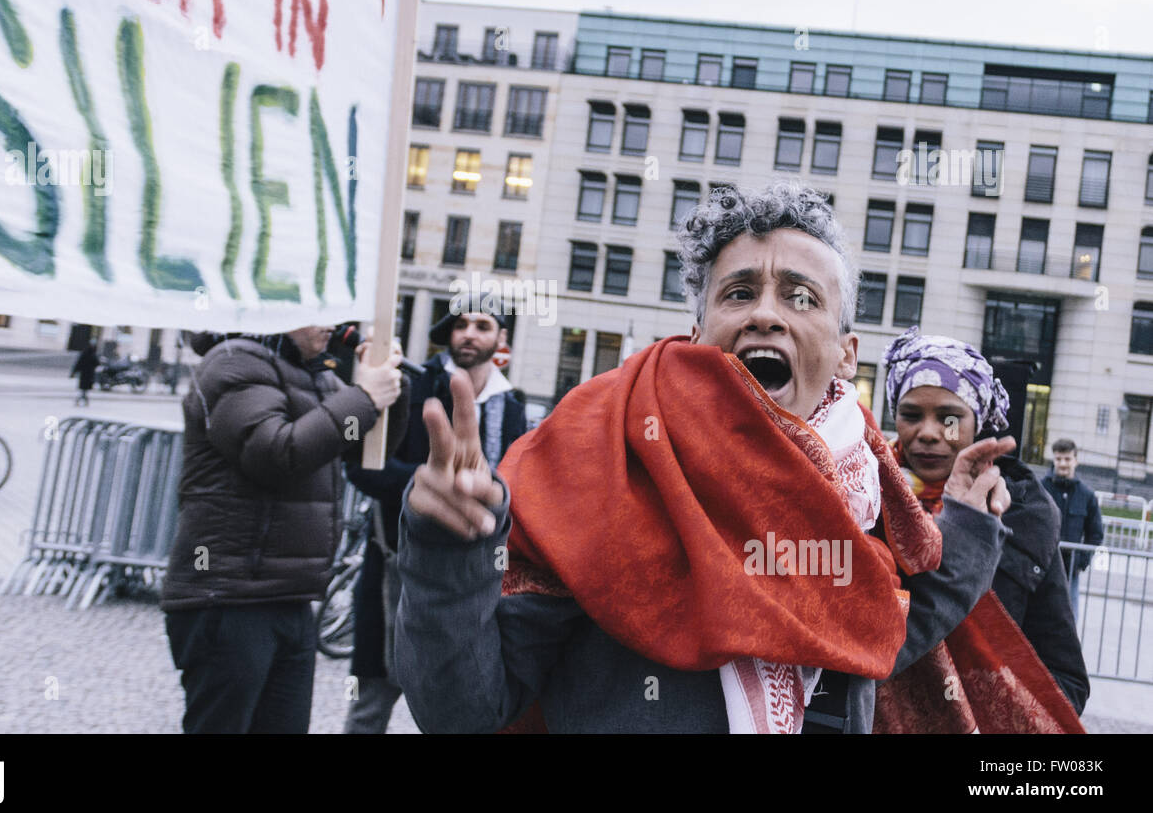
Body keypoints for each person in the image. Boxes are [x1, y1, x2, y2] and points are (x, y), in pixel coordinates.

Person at [394, 180, 1017, 734]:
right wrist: (450, 550)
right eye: (739, 293)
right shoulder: (601, 458)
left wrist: (966, 526)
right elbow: (465, 712)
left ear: (847, 354)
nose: (767, 314)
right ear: (697, 334)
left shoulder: (868, 490)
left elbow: (875, 634)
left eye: (802, 298)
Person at [160, 325, 409, 734]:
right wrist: (363, 397)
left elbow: (363, 451)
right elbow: (275, 452)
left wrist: (390, 392)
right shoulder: (232, 361)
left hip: (290, 595)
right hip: (227, 595)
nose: (333, 323)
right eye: (320, 309)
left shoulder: (317, 374)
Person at [875, 328, 1088, 728]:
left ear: (980, 423)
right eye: (911, 415)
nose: (929, 432)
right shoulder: (859, 498)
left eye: (950, 418)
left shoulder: (1024, 519)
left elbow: (1064, 681)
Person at [343, 302, 528, 734]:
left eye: (483, 325)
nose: (469, 333)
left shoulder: (513, 404)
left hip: (483, 578)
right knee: (372, 701)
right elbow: (363, 466)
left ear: (501, 339)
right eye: (461, 324)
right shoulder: (414, 384)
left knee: (463, 702)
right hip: (399, 562)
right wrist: (426, 488)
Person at [1042, 438, 1104, 619]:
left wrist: (1081, 562)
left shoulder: (1087, 495)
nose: (1062, 464)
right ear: (1053, 460)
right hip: (1042, 567)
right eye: (1059, 459)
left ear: (1075, 461)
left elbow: (1095, 533)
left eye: (1067, 459)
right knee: (1038, 619)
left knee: (1068, 619)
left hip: (1070, 571)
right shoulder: (1040, 489)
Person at [70, 339, 98, 406]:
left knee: (84, 389)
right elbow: (96, 363)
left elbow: (79, 363)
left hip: (85, 374)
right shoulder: (92, 354)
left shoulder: (86, 352)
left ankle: (83, 401)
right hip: (88, 374)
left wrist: (74, 372)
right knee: (84, 390)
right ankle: (82, 401)